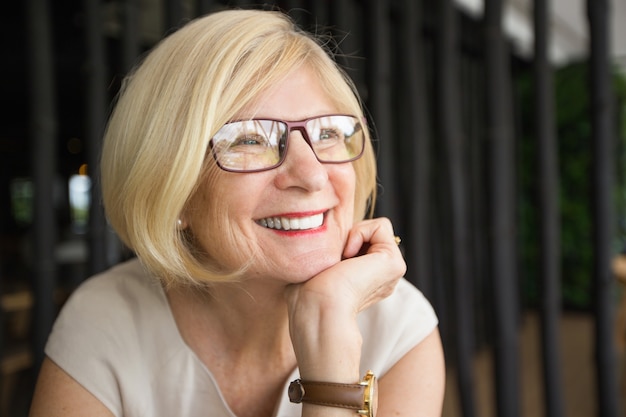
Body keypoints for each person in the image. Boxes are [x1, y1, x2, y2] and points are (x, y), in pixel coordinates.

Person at [29, 8, 445, 417]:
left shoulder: (398, 330)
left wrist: (328, 329)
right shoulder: (106, 323)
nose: (312, 175)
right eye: (250, 139)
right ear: (174, 190)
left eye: (328, 132)